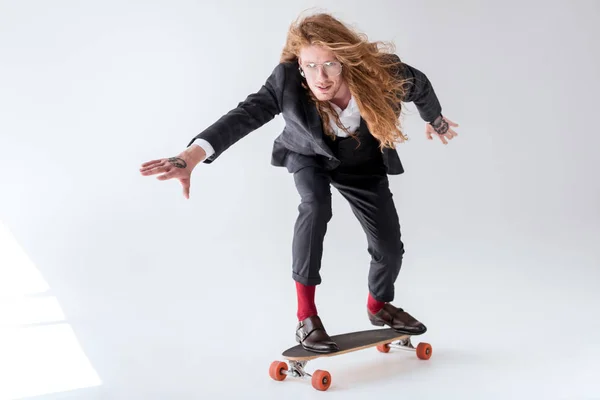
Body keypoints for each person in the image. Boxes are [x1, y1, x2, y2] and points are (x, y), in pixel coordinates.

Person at [139, 12, 458, 354]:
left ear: (346, 59)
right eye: (310, 66)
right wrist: (191, 156)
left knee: (390, 247)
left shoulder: (380, 72)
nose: (320, 78)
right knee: (315, 206)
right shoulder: (288, 79)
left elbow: (419, 85)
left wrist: (435, 120)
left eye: (330, 66)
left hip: (361, 160)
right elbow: (246, 114)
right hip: (308, 155)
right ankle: (306, 317)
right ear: (299, 64)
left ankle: (378, 305)